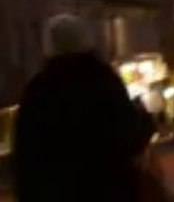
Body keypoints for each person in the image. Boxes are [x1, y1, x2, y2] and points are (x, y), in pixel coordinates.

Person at [13, 14, 160, 202]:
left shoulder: (38, 91)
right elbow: (128, 135)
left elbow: (26, 158)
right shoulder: (103, 81)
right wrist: (145, 121)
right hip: (110, 191)